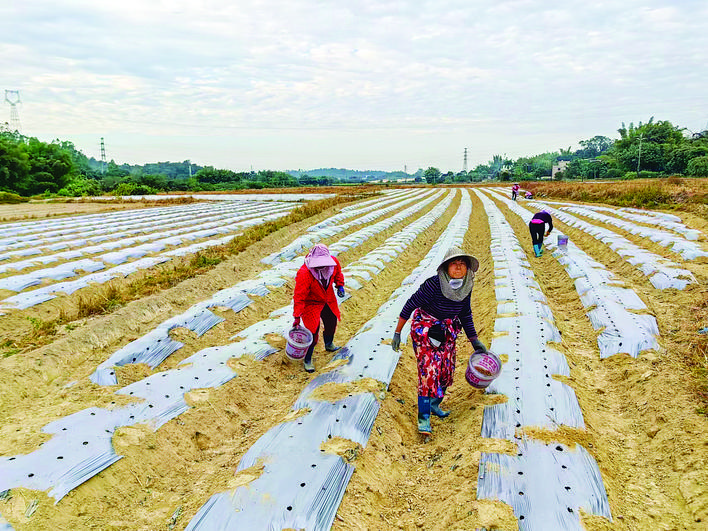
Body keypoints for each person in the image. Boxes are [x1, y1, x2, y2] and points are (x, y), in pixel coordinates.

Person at [390, 247, 487, 435]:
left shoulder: (466, 286)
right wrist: (397, 332)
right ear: (445, 267)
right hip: (425, 329)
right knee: (429, 372)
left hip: (447, 331)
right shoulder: (433, 285)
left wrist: (474, 340)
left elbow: (465, 314)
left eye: (462, 264)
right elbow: (410, 304)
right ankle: (424, 416)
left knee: (446, 371)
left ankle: (434, 404)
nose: (458, 268)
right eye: (454, 264)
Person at [293, 244, 346, 372]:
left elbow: (338, 273)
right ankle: (307, 358)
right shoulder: (305, 273)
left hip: (328, 298)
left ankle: (329, 344)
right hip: (312, 302)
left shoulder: (333, 263)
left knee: (331, 320)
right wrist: (297, 316)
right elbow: (299, 296)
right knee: (312, 330)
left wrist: (340, 286)